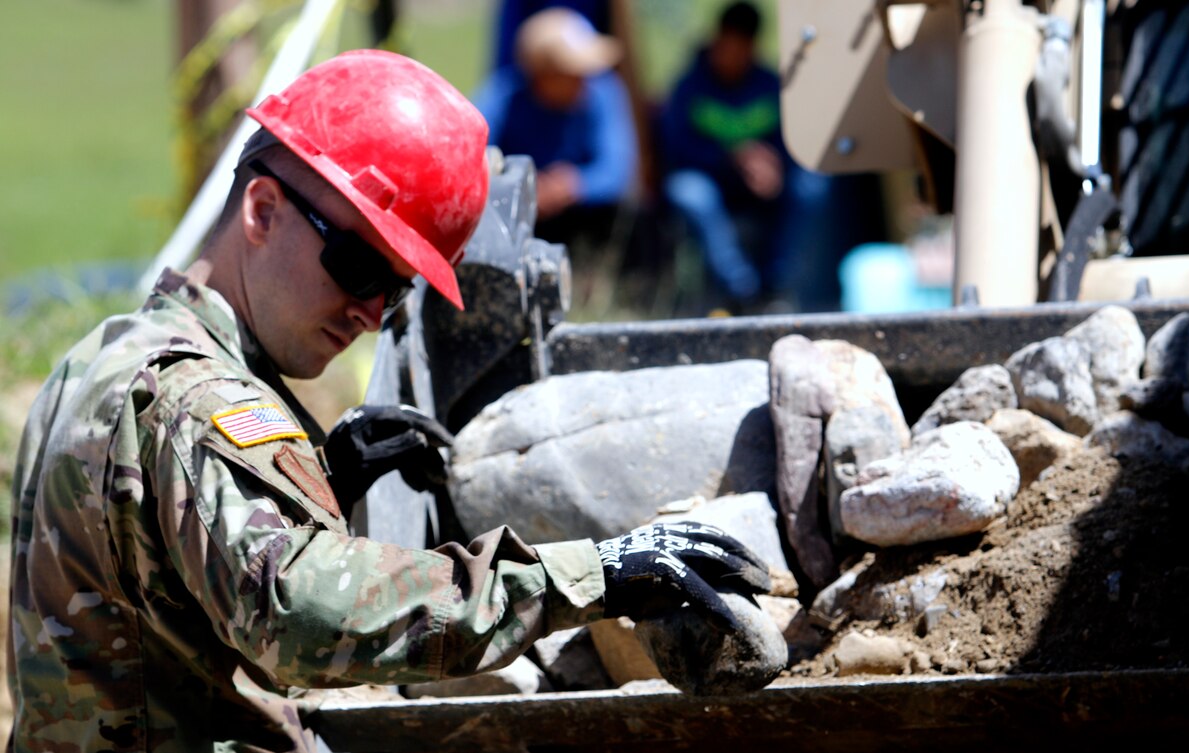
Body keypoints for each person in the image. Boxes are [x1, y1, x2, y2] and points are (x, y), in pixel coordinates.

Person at [7, 51, 769, 751]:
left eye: (399, 289)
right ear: (263, 211)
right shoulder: (198, 403)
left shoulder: (106, 352)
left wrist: (318, 483)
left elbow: (161, 585)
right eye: (362, 268)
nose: (373, 313)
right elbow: (300, 618)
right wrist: (590, 575)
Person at [659, 1, 831, 313]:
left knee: (813, 184)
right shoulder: (689, 87)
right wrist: (731, 158)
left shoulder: (771, 85)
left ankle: (777, 286)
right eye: (728, 45)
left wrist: (775, 164)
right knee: (687, 191)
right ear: (717, 40)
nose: (733, 55)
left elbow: (797, 142)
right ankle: (741, 289)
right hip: (713, 182)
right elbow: (677, 149)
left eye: (743, 47)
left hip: (766, 187)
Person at [472, 7, 638, 247]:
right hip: (515, 217)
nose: (582, 80)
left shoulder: (604, 91)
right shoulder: (503, 99)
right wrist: (521, 187)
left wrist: (573, 185)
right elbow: (475, 157)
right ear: (541, 74)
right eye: (571, 73)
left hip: (586, 216)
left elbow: (617, 170)